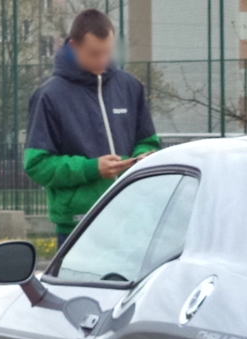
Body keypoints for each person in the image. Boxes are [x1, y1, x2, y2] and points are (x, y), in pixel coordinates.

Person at [24, 9, 159, 248]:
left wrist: (142, 157)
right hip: (79, 226)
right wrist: (91, 168)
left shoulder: (130, 87)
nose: (102, 61)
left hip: (132, 220)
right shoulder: (49, 96)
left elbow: (149, 141)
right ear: (74, 47)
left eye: (107, 52)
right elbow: (37, 164)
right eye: (94, 53)